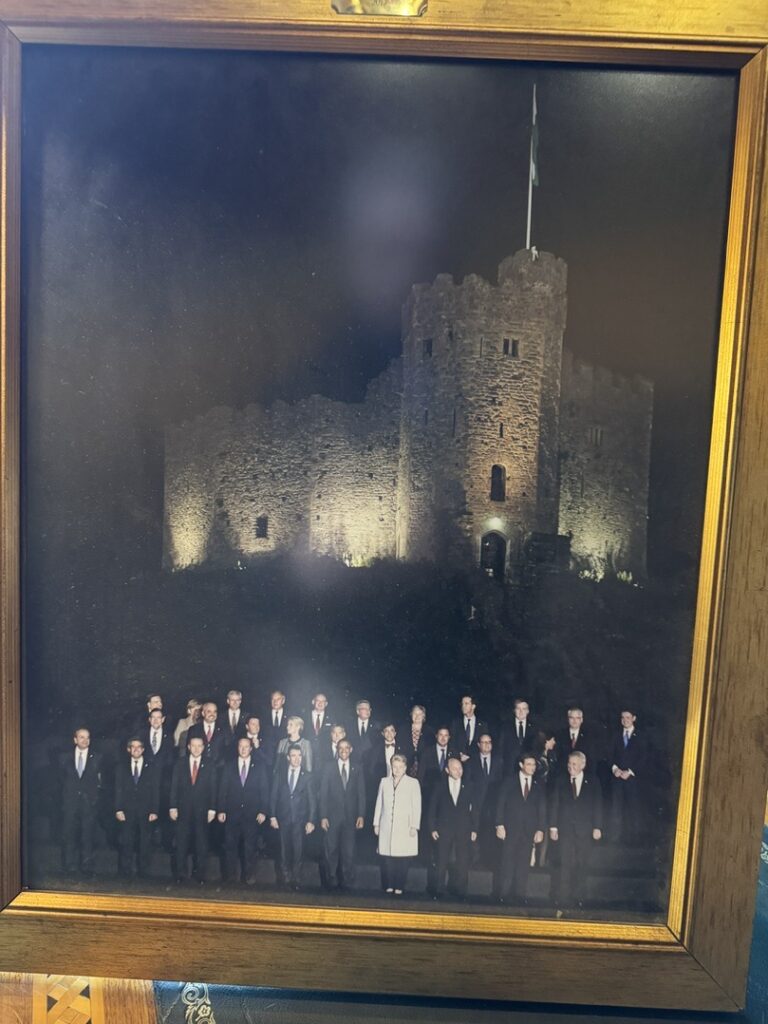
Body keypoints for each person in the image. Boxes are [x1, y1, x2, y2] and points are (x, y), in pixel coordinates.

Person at [549, 751, 603, 908]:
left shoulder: (593, 781)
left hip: (584, 830)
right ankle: (563, 898)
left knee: (582, 863)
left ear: (583, 765)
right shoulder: (560, 781)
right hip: (565, 829)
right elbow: (555, 804)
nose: (570, 767)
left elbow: (598, 805)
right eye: (569, 764)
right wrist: (553, 827)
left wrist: (597, 827)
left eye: (574, 764)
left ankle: (579, 897)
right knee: (565, 864)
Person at [217, 737, 270, 884]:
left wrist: (263, 811)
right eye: (241, 746)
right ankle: (230, 876)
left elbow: (264, 790)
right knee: (230, 845)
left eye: (246, 746)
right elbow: (223, 790)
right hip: (232, 812)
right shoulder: (229, 766)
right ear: (237, 748)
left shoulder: (259, 766)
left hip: (252, 813)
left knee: (250, 846)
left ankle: (249, 875)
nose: (243, 749)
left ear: (251, 748)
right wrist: (221, 810)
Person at [495, 754, 546, 904]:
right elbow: (500, 804)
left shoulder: (538, 784)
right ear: (521, 765)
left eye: (534, 765)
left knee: (523, 863)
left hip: (528, 830)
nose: (532, 768)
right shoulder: (509, 781)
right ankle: (503, 895)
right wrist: (499, 824)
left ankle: (520, 895)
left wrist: (540, 829)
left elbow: (542, 809)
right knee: (507, 862)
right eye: (529, 764)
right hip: (510, 829)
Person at [427, 757, 478, 900]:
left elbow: (475, 809)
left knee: (463, 860)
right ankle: (438, 889)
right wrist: (432, 828)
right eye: (455, 768)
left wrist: (474, 829)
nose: (458, 771)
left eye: (460, 768)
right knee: (441, 859)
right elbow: (432, 808)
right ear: (447, 770)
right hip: (444, 828)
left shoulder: (469, 785)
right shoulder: (439, 785)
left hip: (464, 828)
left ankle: (461, 890)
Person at [319, 737, 366, 890]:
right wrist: (323, 816)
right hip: (332, 817)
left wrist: (361, 815)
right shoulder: (328, 767)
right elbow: (323, 794)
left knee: (349, 851)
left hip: (351, 817)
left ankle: (347, 881)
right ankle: (331, 880)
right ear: (337, 750)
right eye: (341, 748)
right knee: (330, 849)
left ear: (351, 750)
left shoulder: (357, 768)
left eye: (347, 747)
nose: (344, 750)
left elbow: (361, 794)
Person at [169, 736, 217, 884]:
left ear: (203, 748)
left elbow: (213, 788)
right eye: (193, 746)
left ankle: (200, 875)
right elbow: (174, 787)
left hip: (202, 810)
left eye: (199, 746)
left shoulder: (210, 764)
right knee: (182, 843)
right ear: (188, 747)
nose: (196, 749)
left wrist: (212, 809)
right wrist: (172, 806)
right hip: (183, 809)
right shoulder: (180, 764)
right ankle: (180, 875)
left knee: (201, 843)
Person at [373, 753, 421, 895]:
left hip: (404, 827)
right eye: (395, 767)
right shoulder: (384, 782)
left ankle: (399, 885)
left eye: (400, 767)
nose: (397, 770)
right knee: (387, 857)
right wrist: (376, 823)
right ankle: (389, 885)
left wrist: (414, 825)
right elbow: (379, 804)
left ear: (405, 768)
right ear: (391, 767)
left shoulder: (413, 783)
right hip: (387, 825)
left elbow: (416, 806)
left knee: (403, 858)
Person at [269, 745, 316, 890]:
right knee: (283, 850)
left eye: (299, 756)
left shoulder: (307, 776)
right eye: (293, 756)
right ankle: (285, 878)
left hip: (300, 820)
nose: (297, 759)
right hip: (283, 818)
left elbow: (312, 800)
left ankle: (296, 879)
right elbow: (273, 797)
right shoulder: (279, 775)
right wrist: (272, 816)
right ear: (288, 758)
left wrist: (311, 820)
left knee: (298, 851)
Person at [114, 738, 160, 879]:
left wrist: (154, 810)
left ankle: (143, 871)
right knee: (126, 840)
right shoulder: (121, 767)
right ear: (128, 750)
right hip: (126, 810)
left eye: (139, 747)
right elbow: (118, 789)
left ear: (143, 750)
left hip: (145, 810)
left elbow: (155, 790)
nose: (136, 749)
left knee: (145, 841)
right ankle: (125, 870)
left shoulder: (151, 767)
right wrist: (118, 809)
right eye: (133, 747)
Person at [60, 727, 102, 876]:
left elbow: (100, 782)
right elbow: (60, 782)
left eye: (87, 737)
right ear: (75, 740)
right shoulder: (64, 758)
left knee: (87, 836)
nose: (85, 740)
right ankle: (69, 866)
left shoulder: (97, 758)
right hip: (70, 804)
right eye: (81, 737)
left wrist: (93, 800)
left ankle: (87, 867)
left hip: (88, 804)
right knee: (69, 835)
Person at [610, 709, 647, 843]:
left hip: (633, 779)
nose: (625, 720)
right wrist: (615, 769)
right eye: (622, 718)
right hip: (617, 777)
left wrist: (630, 771)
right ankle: (615, 839)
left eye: (628, 717)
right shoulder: (615, 735)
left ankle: (635, 838)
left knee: (633, 807)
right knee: (616, 808)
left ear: (634, 718)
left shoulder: (641, 736)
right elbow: (610, 755)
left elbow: (644, 757)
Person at [551, 707, 598, 776]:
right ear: (568, 719)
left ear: (582, 720)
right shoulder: (560, 735)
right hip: (563, 775)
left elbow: (591, 759)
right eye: (572, 718)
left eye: (577, 718)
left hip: (583, 775)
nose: (574, 721)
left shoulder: (589, 736)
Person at [501, 698, 538, 771]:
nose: (521, 712)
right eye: (518, 709)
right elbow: (501, 748)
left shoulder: (534, 727)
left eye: (524, 709)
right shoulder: (505, 726)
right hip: (509, 768)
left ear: (528, 711)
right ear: (514, 710)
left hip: (528, 769)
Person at [450, 695, 490, 761]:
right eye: (462, 704)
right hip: (459, 761)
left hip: (476, 762)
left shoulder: (483, 725)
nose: (463, 706)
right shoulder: (455, 723)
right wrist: (459, 755)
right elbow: (451, 743)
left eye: (466, 704)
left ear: (473, 706)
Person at [400, 705, 433, 777]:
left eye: (420, 714)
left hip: (423, 769)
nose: (417, 716)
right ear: (411, 714)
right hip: (405, 768)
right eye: (415, 713)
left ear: (423, 716)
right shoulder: (403, 729)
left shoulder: (429, 731)